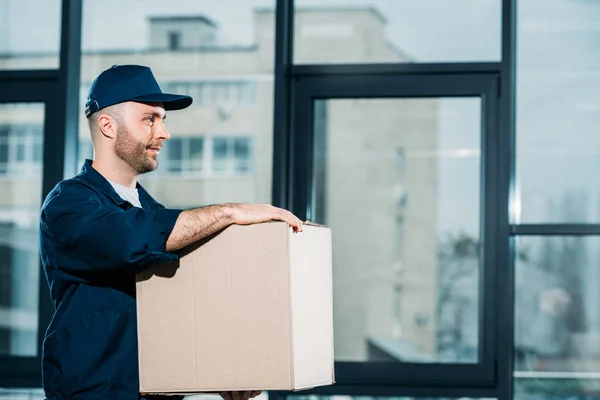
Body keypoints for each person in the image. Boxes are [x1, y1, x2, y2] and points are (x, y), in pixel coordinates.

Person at [39, 64, 303, 400]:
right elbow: (129, 241)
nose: (164, 133)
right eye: (150, 119)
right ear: (107, 126)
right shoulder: (70, 204)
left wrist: (220, 376)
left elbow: (175, 317)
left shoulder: (153, 213)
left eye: (163, 120)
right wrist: (230, 211)